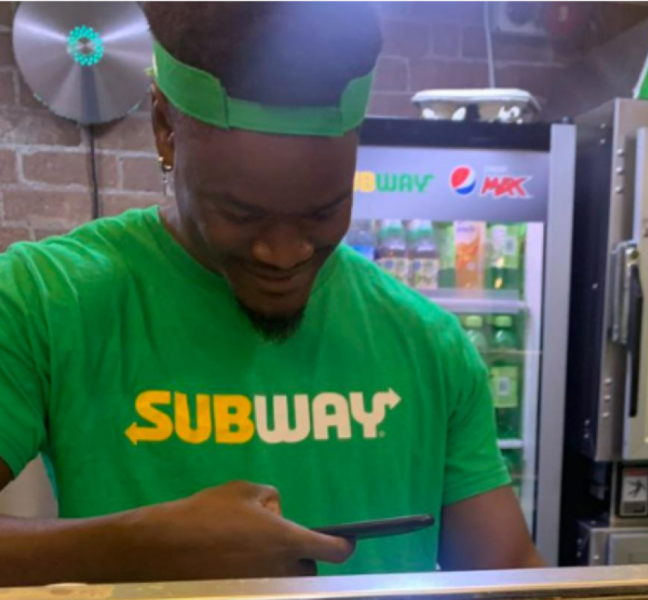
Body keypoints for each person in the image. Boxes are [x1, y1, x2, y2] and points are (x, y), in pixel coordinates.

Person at [0, 3, 540, 586]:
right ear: (164, 128)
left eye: (324, 210)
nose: (284, 254)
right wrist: (135, 546)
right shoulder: (44, 302)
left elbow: (510, 573)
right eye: (241, 212)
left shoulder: (428, 344)